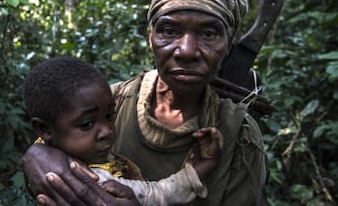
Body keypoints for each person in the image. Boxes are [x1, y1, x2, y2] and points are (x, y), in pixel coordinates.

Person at [22, 0, 269, 205]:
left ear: (228, 45)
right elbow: (50, 143)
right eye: (169, 30)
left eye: (209, 34)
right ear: (150, 38)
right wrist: (35, 155)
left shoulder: (239, 135)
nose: (187, 51)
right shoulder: (110, 102)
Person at [23, 56, 224, 206]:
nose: (106, 131)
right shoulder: (95, 181)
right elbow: (160, 194)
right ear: (44, 129)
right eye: (86, 124)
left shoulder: (54, 159)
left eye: (110, 116)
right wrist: (207, 164)